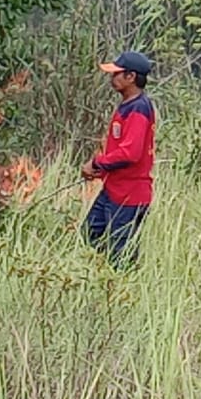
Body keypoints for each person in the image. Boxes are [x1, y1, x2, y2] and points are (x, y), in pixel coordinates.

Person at [81, 50, 156, 268]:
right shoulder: (127, 106)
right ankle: (108, 278)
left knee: (121, 254)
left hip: (130, 195)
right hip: (113, 188)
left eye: (116, 74)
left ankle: (123, 287)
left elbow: (130, 153)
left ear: (131, 77)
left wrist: (96, 163)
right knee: (90, 233)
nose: (112, 78)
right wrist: (101, 171)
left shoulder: (138, 108)